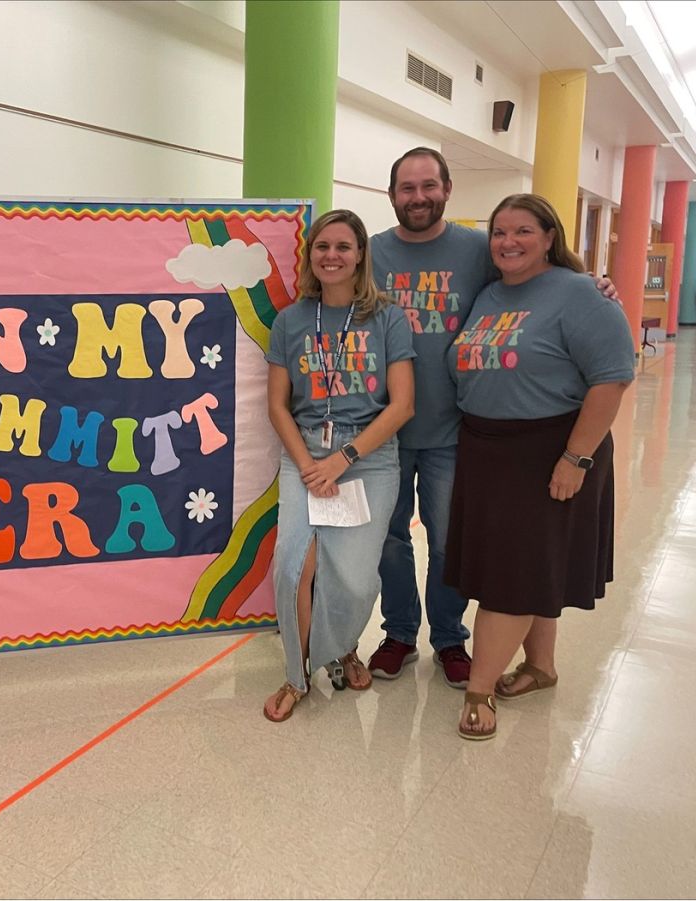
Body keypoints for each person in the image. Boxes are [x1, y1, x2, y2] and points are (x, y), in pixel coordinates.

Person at [367, 147, 619, 689]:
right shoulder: (371, 254)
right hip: (382, 430)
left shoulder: (478, 248)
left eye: (428, 186)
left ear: (447, 189)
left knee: (449, 543)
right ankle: (399, 634)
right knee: (388, 541)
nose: (418, 197)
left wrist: (594, 286)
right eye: (407, 188)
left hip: (455, 433)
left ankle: (450, 639)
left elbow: (534, 277)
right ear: (391, 195)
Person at [445, 193, 635, 740]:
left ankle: (479, 691)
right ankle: (540, 667)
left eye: (523, 231)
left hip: (550, 450)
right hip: (489, 450)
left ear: (550, 236)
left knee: (511, 578)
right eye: (499, 232)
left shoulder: (581, 294)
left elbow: (612, 378)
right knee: (534, 568)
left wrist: (575, 458)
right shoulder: (488, 294)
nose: (508, 242)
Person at [262, 209, 415, 722]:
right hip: (305, 455)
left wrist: (343, 459)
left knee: (351, 579)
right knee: (293, 565)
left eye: (343, 247)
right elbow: (278, 405)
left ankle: (342, 648)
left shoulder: (388, 318)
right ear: (311, 256)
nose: (332, 255)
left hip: (367, 458)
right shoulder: (292, 320)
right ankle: (295, 675)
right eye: (322, 246)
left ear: (360, 256)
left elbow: (402, 405)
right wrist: (310, 464)